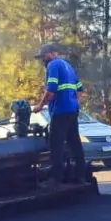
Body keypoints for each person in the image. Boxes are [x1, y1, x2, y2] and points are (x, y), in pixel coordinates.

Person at [32, 43, 86, 185]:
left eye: (43, 56)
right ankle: (80, 176)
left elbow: (51, 90)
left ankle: (56, 178)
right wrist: (73, 102)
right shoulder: (68, 66)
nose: (43, 60)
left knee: (56, 145)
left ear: (51, 53)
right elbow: (80, 90)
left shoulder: (53, 65)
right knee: (75, 143)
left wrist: (39, 106)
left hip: (60, 111)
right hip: (72, 110)